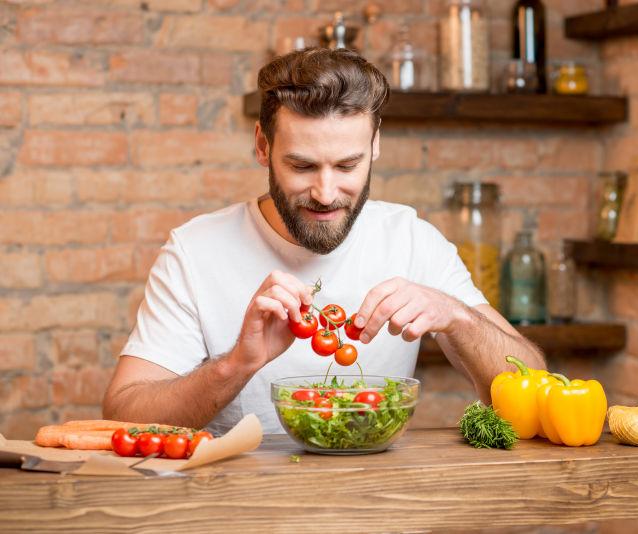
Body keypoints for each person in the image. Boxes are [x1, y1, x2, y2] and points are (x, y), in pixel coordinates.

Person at [103, 48, 545, 435]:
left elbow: (536, 384)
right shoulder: (195, 252)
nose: (326, 192)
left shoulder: (413, 240)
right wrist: (236, 364)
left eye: (347, 165)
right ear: (263, 146)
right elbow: (122, 415)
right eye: (302, 166)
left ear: (374, 146)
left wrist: (458, 317)